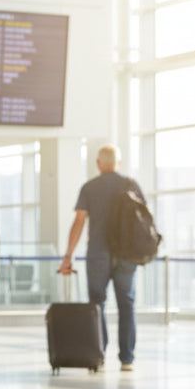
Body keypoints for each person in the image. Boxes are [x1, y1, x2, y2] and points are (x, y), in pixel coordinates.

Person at [58, 145, 144, 371]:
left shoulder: (89, 187)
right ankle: (127, 359)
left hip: (98, 254)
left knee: (97, 305)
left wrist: (68, 256)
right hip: (127, 255)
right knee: (127, 305)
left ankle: (99, 355)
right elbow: (143, 218)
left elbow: (79, 221)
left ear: (98, 163)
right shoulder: (131, 184)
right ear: (119, 162)